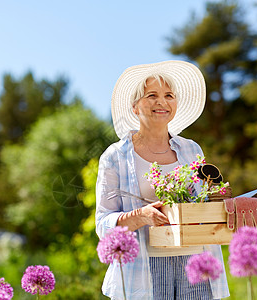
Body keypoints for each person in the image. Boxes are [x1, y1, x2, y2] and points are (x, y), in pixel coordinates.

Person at [95, 60, 230, 299]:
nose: (162, 102)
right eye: (152, 95)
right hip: (144, 268)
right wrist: (140, 216)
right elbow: (103, 225)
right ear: (135, 106)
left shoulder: (191, 150)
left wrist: (229, 203)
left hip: (196, 261)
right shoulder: (115, 157)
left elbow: (206, 202)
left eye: (169, 95)